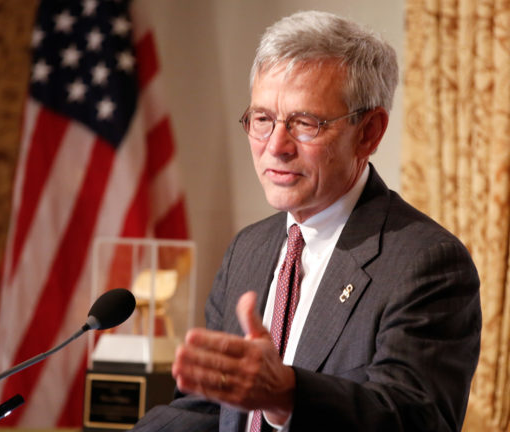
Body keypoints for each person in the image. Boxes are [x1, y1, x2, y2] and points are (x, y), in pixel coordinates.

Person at [131, 10, 481, 432]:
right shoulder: (249, 249)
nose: (275, 146)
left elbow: (413, 419)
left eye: (304, 124)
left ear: (368, 132)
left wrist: (287, 395)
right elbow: (207, 410)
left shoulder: (425, 262)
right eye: (262, 119)